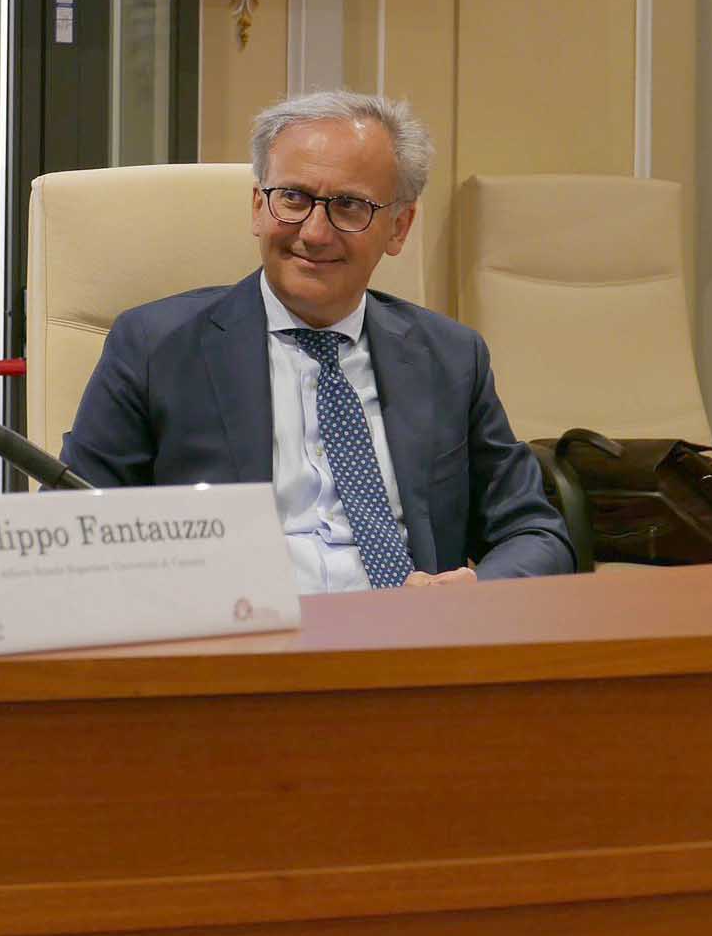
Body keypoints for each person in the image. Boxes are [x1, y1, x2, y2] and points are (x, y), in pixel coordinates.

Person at [61, 91, 576, 591]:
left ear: (400, 226)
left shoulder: (450, 357)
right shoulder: (156, 347)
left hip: (409, 642)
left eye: (349, 206)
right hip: (240, 645)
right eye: (293, 198)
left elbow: (536, 534)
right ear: (258, 207)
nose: (314, 233)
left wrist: (476, 587)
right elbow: (74, 527)